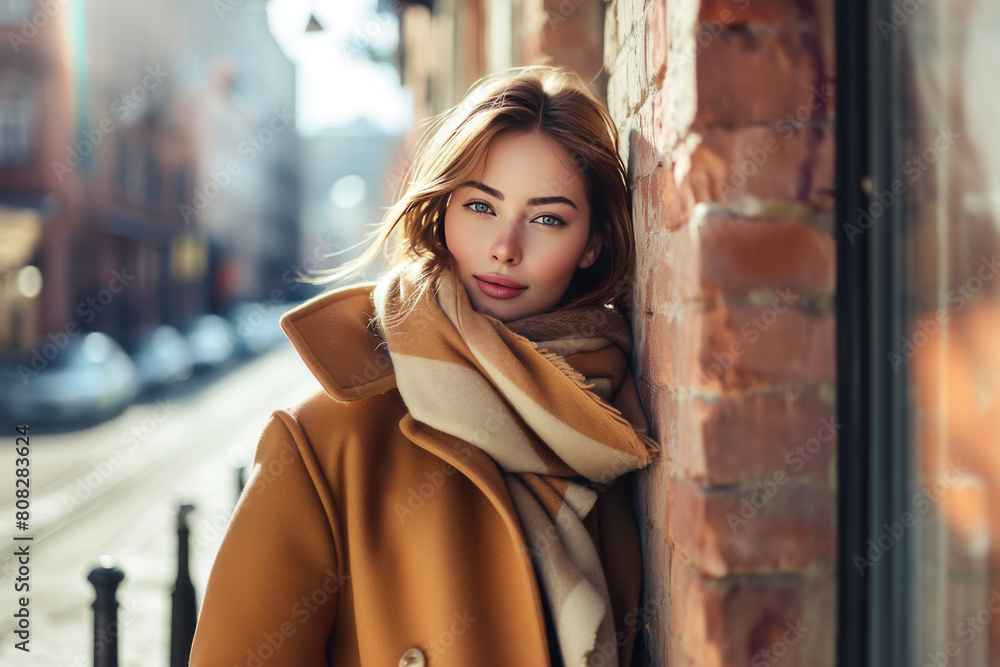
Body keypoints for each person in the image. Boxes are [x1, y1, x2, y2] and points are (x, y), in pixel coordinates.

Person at [189, 65, 659, 667]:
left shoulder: (606, 426)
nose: (504, 246)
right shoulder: (329, 441)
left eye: (547, 218)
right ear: (442, 212)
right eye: (481, 206)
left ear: (592, 243)